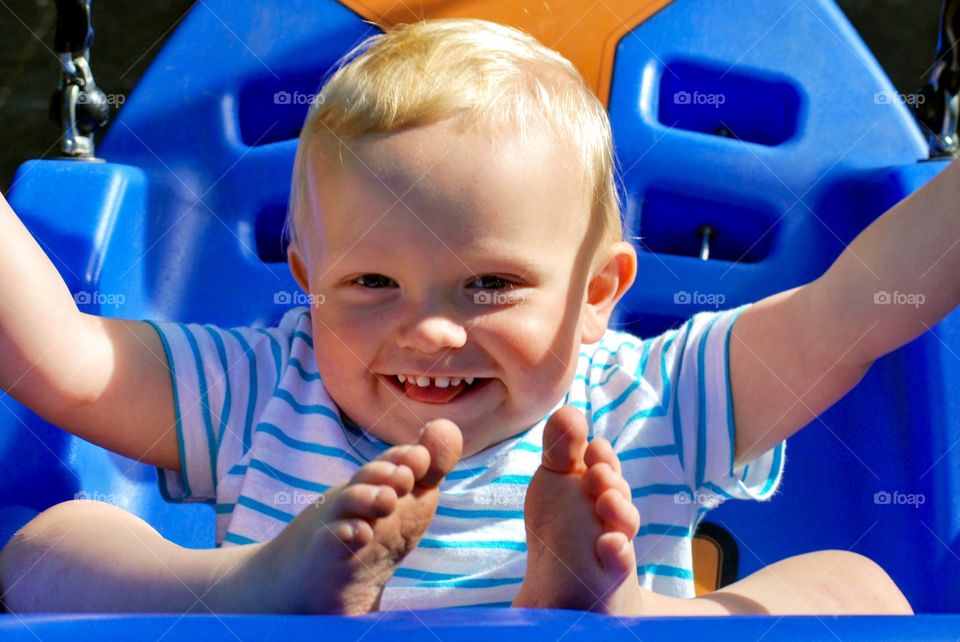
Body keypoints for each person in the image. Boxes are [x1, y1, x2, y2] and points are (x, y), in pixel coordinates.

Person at [2, 17, 942, 615]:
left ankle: (617, 616)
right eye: (372, 283)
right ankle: (253, 587)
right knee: (45, 547)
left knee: (860, 587)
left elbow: (851, 310)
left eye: (489, 284)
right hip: (282, 610)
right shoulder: (265, 384)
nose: (430, 330)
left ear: (597, 296)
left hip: (612, 621)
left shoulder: (652, 398)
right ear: (307, 279)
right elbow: (66, 362)